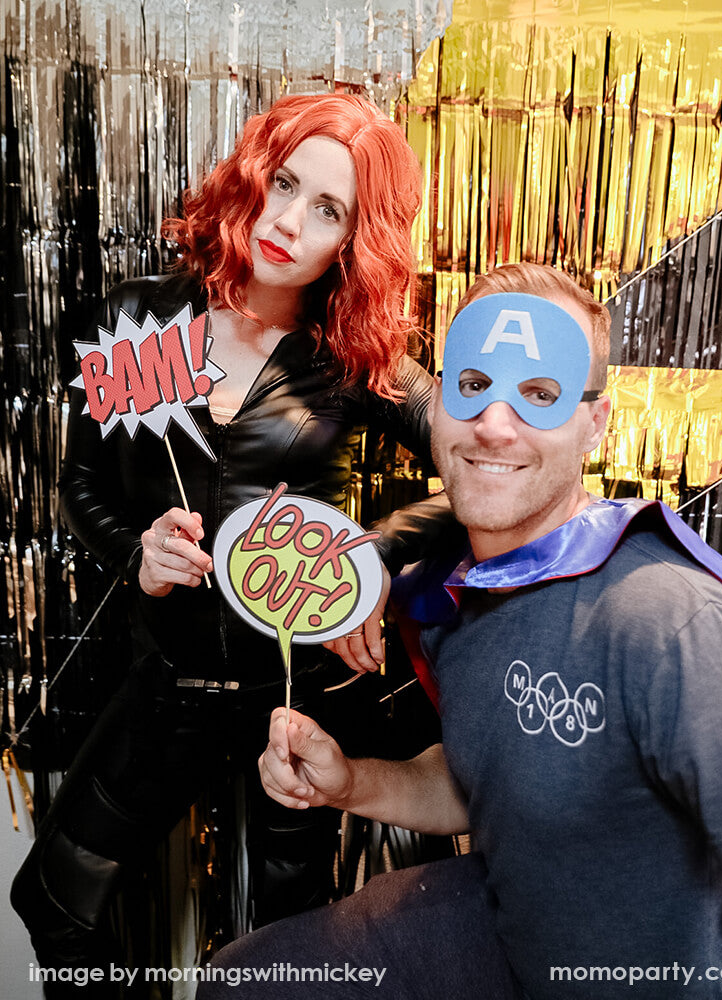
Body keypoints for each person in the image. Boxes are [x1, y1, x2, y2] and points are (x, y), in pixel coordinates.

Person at [198, 262, 722, 999]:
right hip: (516, 935)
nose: (496, 423)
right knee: (247, 985)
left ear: (594, 424)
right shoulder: (462, 597)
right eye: (475, 385)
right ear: (437, 403)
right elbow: (495, 777)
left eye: (540, 395)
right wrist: (350, 784)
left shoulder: (674, 628)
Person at [12, 94, 442, 995]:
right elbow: (81, 486)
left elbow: (484, 474)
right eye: (285, 183)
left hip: (297, 699)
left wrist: (368, 560)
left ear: (354, 241)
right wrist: (137, 556)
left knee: (284, 960)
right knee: (52, 900)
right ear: (251, 175)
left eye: (329, 209)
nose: (289, 222)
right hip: (165, 688)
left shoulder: (355, 353)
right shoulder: (136, 321)